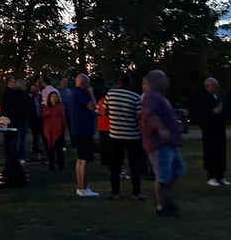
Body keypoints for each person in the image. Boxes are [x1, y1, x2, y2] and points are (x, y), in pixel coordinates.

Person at [140, 69, 184, 217]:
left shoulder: (161, 96)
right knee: (163, 176)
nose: (167, 81)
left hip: (170, 143)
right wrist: (161, 129)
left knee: (178, 170)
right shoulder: (151, 96)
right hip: (158, 143)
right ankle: (161, 207)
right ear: (155, 81)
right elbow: (150, 114)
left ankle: (166, 198)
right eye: (164, 78)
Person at [106, 73, 145, 201]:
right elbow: (139, 117)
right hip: (132, 136)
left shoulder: (110, 94)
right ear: (130, 83)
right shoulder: (135, 97)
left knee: (115, 165)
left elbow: (104, 111)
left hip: (115, 134)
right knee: (134, 164)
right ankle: (136, 193)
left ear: (119, 82)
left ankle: (115, 192)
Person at [70, 73, 99, 197]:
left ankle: (80, 186)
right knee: (84, 159)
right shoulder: (81, 94)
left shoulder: (74, 93)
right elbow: (93, 106)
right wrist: (91, 93)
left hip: (78, 129)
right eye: (88, 82)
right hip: (84, 130)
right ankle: (83, 187)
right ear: (84, 83)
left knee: (80, 159)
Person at [197, 77, 229, 186]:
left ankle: (221, 175)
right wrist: (212, 112)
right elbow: (201, 114)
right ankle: (211, 176)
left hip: (219, 129)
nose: (216, 86)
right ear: (207, 86)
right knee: (211, 152)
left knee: (220, 152)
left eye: (216, 84)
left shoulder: (218, 97)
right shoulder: (203, 98)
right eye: (214, 85)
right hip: (209, 130)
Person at [41, 91, 66, 171]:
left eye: (55, 96)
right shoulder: (46, 108)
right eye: (52, 97)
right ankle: (51, 166)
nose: (54, 98)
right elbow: (44, 116)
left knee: (59, 150)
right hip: (49, 131)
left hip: (58, 131)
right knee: (50, 150)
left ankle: (61, 166)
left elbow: (62, 118)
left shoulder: (60, 107)